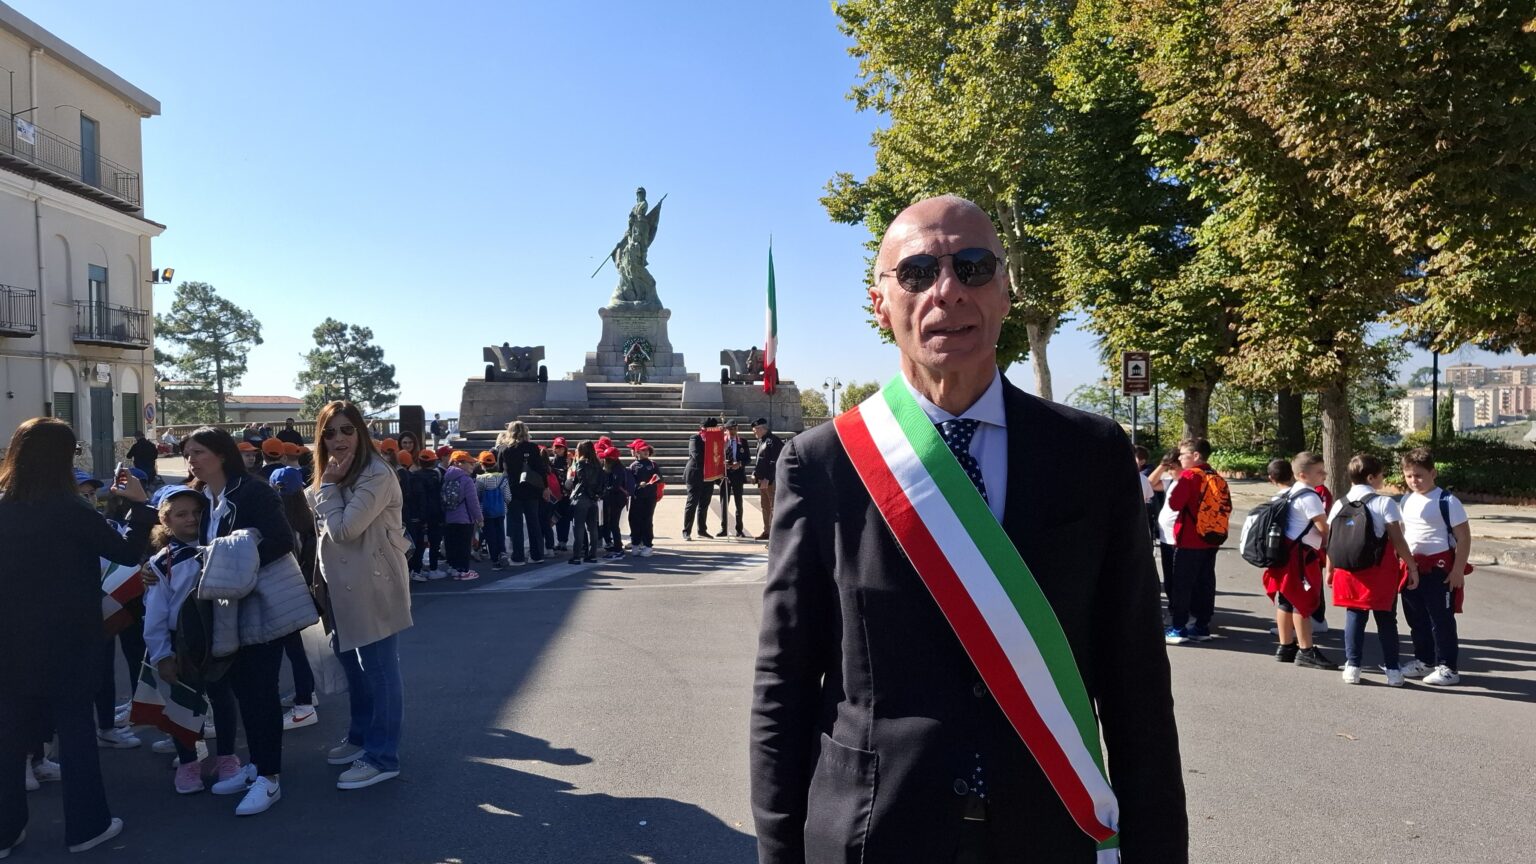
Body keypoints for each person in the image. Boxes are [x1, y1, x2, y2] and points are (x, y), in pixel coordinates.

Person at [750, 195, 1185, 863]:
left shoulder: (1090, 453)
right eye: (918, 273)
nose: (947, 291)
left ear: (1006, 290)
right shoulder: (822, 463)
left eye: (973, 267)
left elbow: (1137, 686)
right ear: (880, 303)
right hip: (874, 834)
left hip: (1050, 829)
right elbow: (785, 681)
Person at [0, 418, 154, 855]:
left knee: (8, 736)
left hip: (9, 639)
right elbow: (123, 552)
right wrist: (139, 508)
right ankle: (87, 826)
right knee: (76, 729)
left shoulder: (3, 507)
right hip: (69, 637)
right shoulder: (70, 508)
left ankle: (5, 830)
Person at [182, 425, 308, 816]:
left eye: (198, 452)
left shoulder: (252, 491)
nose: (191, 461)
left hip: (259, 606)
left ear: (220, 455)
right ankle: (255, 765)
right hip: (227, 612)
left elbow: (281, 541)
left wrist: (235, 559)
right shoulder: (205, 498)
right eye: (188, 454)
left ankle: (270, 778)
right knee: (243, 689)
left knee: (261, 691)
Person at [305, 400, 413, 790]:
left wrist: (329, 489)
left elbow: (346, 530)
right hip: (337, 587)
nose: (338, 438)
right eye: (329, 432)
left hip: (374, 583)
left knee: (381, 671)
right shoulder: (331, 473)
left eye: (346, 429)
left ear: (361, 433)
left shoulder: (375, 473)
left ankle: (383, 756)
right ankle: (362, 736)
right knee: (353, 665)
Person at [140, 484, 241, 794]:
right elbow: (155, 614)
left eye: (197, 512)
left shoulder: (218, 549)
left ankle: (226, 757)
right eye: (181, 514)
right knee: (183, 704)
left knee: (222, 698)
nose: (191, 519)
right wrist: (162, 655)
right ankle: (188, 762)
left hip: (217, 637)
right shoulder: (162, 563)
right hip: (180, 644)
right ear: (165, 521)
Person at [1326, 454, 1419, 686]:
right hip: (1379, 571)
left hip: (1348, 571)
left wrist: (1329, 569)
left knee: (1354, 617)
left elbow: (1332, 540)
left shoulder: (1339, 503)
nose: (1383, 479)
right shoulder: (1384, 503)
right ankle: (1393, 671)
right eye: (1381, 475)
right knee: (1387, 620)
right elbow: (1397, 540)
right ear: (1371, 477)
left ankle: (1353, 667)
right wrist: (1411, 565)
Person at [1398, 447, 1471, 686]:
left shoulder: (1448, 501)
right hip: (1412, 569)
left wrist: (1457, 570)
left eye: (1419, 475)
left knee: (1441, 620)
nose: (1413, 480)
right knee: (1416, 618)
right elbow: (1403, 533)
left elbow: (1464, 537)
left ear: (1433, 473)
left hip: (1439, 570)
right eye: (1409, 476)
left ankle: (1448, 668)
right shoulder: (1406, 499)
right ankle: (1424, 661)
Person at [1258, 456, 1336, 670]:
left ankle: (1285, 646)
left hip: (1284, 553)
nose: (1324, 475)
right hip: (1301, 556)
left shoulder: (1289, 492)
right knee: (1301, 602)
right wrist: (1332, 549)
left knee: (1285, 599)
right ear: (1302, 475)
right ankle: (1306, 650)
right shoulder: (1310, 496)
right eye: (1319, 471)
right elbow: (1323, 528)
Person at [1164, 437, 1229, 643]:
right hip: (1212, 537)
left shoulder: (1190, 476)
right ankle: (1202, 626)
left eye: (1183, 454)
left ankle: (1178, 627)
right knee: (1205, 581)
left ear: (1196, 456)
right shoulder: (1215, 475)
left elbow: (1175, 504)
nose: (1180, 458)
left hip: (1189, 538)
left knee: (1182, 583)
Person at [270, 467, 320, 730]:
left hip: (285, 594)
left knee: (290, 652)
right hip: (309, 593)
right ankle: (307, 694)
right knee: (301, 652)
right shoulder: (309, 519)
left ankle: (304, 705)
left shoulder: (277, 524)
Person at [496, 421, 548, 566]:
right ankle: (537, 555)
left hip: (513, 490)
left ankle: (518, 557)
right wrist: (545, 488)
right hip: (531, 489)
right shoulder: (533, 447)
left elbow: (500, 470)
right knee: (534, 522)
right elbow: (540, 469)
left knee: (516, 524)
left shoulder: (504, 449)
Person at [442, 452, 483, 581]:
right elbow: (473, 502)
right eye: (469, 462)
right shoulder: (467, 480)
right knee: (464, 546)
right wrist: (479, 518)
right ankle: (464, 571)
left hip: (449, 517)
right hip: (464, 519)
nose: (472, 465)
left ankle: (454, 568)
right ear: (459, 463)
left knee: (452, 545)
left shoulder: (446, 477)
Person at [409, 449, 446, 579]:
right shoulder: (437, 476)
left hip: (419, 514)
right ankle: (433, 568)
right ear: (434, 461)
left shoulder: (414, 476)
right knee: (434, 542)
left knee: (420, 544)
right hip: (435, 513)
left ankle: (416, 568)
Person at [566, 441, 602, 565]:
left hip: (582, 497)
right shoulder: (598, 464)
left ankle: (577, 556)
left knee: (579, 527)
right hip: (594, 498)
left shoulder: (581, 463)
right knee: (592, 528)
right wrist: (596, 494)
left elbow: (580, 481)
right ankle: (592, 555)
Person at [682, 418, 718, 541]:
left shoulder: (715, 440)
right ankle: (686, 531)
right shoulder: (695, 438)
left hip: (708, 475)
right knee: (692, 503)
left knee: (704, 504)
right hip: (695, 474)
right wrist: (714, 458)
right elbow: (697, 455)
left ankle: (702, 530)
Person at [475, 451, 510, 569]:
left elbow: (477, 496)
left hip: (486, 511)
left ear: (482, 464)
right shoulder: (502, 478)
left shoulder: (480, 479)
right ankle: (503, 552)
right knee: (500, 533)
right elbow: (508, 497)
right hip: (500, 511)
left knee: (490, 536)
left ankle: (495, 560)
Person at [750, 418, 782, 541]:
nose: (754, 433)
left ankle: (775, 533)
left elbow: (775, 462)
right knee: (765, 506)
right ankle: (767, 531)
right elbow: (759, 461)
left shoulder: (773, 441)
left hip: (770, 481)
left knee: (773, 507)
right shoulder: (761, 441)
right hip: (761, 480)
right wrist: (754, 474)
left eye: (755, 431)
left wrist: (768, 478)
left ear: (761, 429)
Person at [627, 440, 660, 557]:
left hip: (650, 497)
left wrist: (655, 479)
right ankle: (635, 543)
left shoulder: (653, 464)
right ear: (637, 452)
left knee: (647, 520)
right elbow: (630, 483)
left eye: (647, 449)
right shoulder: (633, 466)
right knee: (634, 519)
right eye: (643, 450)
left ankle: (648, 545)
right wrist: (637, 485)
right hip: (637, 497)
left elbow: (659, 478)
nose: (646, 452)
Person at [599, 445, 632, 559]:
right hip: (615, 499)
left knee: (614, 524)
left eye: (606, 459)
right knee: (611, 523)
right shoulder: (617, 468)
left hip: (616, 500)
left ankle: (618, 549)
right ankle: (616, 546)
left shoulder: (617, 470)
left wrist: (603, 492)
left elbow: (615, 486)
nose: (604, 461)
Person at [718, 420, 749, 538]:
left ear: (737, 429)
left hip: (738, 475)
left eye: (734, 429)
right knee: (724, 502)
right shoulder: (722, 441)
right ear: (726, 430)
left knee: (738, 503)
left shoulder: (743, 442)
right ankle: (724, 528)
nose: (732, 431)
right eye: (729, 429)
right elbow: (715, 457)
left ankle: (739, 529)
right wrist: (722, 463)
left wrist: (740, 464)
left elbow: (748, 459)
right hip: (725, 475)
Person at [546, 437, 572, 552]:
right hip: (555, 495)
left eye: (561, 447)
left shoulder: (569, 461)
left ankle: (563, 542)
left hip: (567, 495)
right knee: (555, 518)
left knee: (565, 518)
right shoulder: (551, 462)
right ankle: (559, 541)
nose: (558, 450)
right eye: (556, 447)